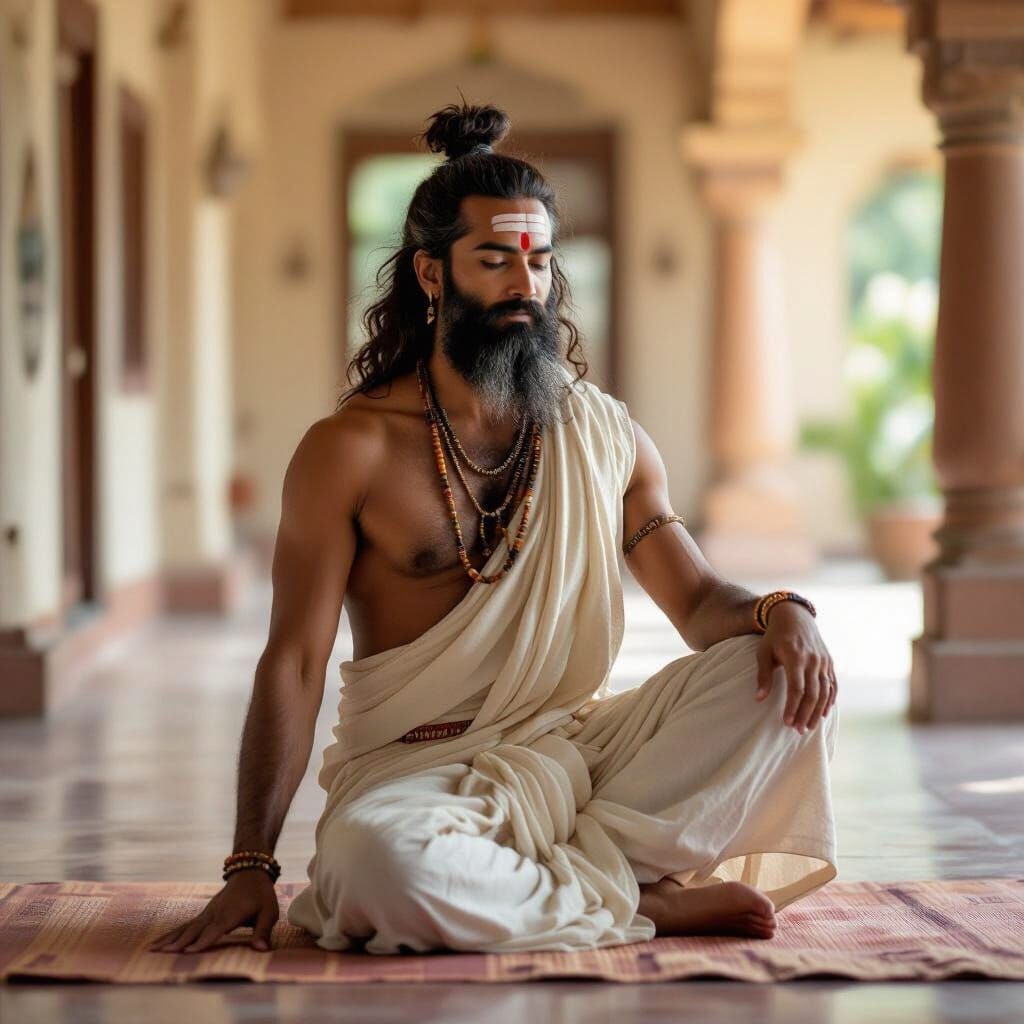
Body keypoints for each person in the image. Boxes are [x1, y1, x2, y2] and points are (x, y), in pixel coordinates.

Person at [149, 101, 839, 957]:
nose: (525, 285)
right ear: (431, 274)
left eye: (541, 262)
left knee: (779, 680)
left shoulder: (603, 433)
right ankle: (636, 896)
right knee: (376, 869)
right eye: (494, 260)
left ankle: (577, 881)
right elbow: (293, 658)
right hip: (414, 773)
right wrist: (250, 862)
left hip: (574, 757)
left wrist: (782, 611)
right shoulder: (350, 450)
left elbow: (697, 603)